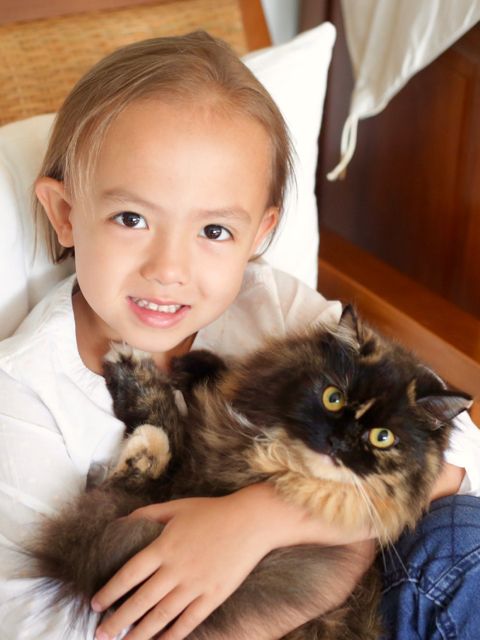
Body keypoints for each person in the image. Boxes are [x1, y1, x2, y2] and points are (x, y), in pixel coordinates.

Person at [0, 31, 479, 640]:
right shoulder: (23, 392)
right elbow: (33, 623)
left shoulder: (272, 304)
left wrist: (260, 521)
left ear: (259, 234)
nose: (169, 268)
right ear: (66, 214)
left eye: (215, 232)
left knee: (460, 537)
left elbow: (461, 461)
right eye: (132, 218)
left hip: (377, 609)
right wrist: (317, 575)